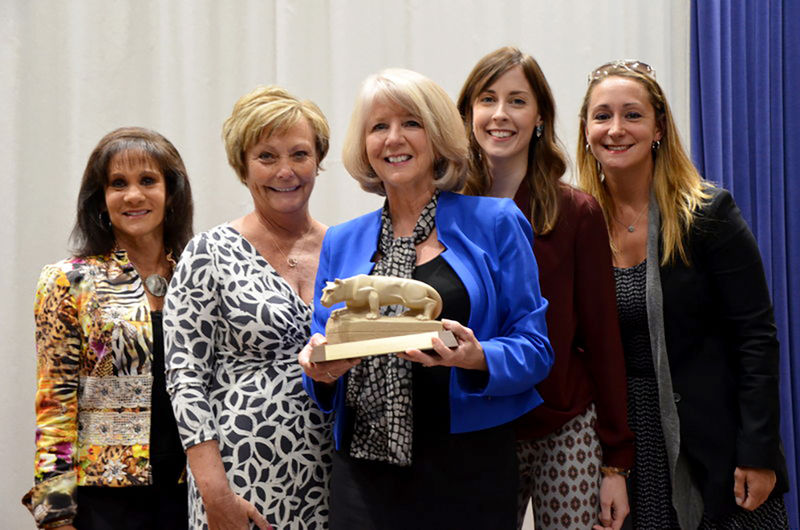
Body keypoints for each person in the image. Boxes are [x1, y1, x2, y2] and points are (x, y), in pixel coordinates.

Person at [298, 68, 554, 530]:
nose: (394, 139)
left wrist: (477, 357)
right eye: (379, 126)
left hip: (467, 468)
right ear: (365, 146)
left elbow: (535, 350)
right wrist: (321, 369)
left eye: (410, 123)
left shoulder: (495, 222)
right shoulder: (341, 241)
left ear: (437, 136)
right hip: (363, 473)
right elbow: (323, 350)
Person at [577, 59, 789, 529]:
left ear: (658, 128)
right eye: (602, 115)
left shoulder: (707, 215)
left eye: (632, 115)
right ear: (586, 131)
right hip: (618, 448)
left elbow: (756, 337)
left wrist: (758, 451)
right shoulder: (577, 224)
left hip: (713, 447)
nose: (615, 129)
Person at [457, 46, 634, 530]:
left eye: (517, 101)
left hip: (564, 421)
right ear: (467, 113)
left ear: (539, 117)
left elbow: (603, 340)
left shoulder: (577, 213)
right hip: (480, 426)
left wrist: (615, 462)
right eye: (487, 99)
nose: (500, 114)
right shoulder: (445, 211)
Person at [164, 86, 333, 530]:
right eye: (266, 156)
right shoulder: (208, 252)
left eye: (299, 154)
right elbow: (185, 379)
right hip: (241, 482)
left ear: (318, 160)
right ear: (243, 166)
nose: (285, 171)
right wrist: (215, 496)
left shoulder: (345, 248)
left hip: (337, 479)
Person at [22, 127, 194, 529]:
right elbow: (55, 403)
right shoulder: (69, 282)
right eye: (118, 183)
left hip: (192, 488)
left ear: (171, 193)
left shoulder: (197, 274)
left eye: (148, 180)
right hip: (107, 497)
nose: (133, 195)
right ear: (101, 199)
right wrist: (55, 510)